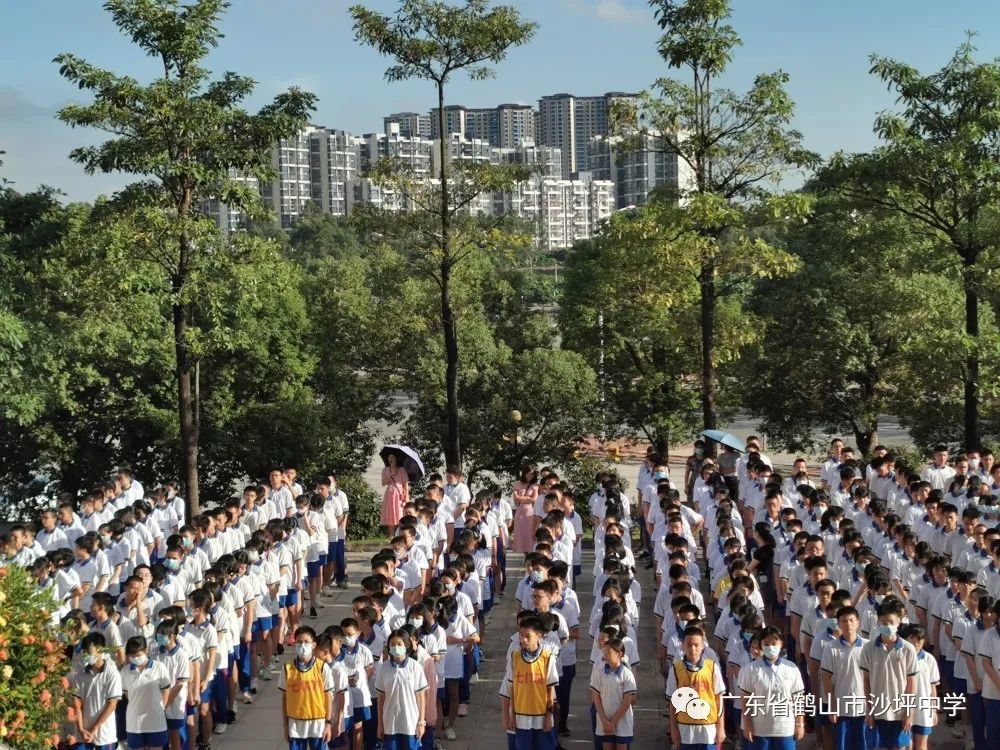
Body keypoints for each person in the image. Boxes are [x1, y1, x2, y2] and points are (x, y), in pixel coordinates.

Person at [858, 604, 917, 750]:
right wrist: (869, 710)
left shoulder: (908, 649)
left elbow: (911, 683)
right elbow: (866, 681)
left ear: (899, 622)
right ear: (878, 622)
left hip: (900, 711)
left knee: (902, 747)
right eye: (884, 622)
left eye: (891, 622)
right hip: (878, 712)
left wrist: (908, 713)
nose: (888, 625)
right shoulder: (868, 648)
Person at [737, 626, 804, 750]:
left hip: (785, 729)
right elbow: (745, 700)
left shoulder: (791, 668)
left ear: (781, 643)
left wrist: (799, 724)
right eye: (766, 644)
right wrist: (747, 725)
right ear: (761, 645)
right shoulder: (751, 669)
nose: (770, 647)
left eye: (774, 643)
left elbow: (798, 698)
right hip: (759, 730)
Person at [500, 615, 559, 750]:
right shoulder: (514, 657)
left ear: (539, 635)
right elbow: (509, 689)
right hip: (521, 719)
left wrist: (549, 715)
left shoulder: (547, 656)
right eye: (521, 635)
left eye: (528, 636)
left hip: (542, 717)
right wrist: (508, 717)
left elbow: (551, 689)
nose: (523, 640)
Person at [665, 626, 726, 750]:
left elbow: (719, 699)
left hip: (708, 728)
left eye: (696, 645)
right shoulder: (676, 669)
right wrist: (673, 728)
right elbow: (672, 702)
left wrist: (721, 727)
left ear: (703, 645)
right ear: (682, 645)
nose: (692, 648)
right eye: (689, 645)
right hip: (685, 729)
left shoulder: (712, 668)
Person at [279, 626, 336, 750]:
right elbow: (284, 700)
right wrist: (285, 726)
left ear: (314, 644)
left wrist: (328, 724)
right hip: (295, 724)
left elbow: (328, 697)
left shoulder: (322, 668)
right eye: (299, 642)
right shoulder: (287, 669)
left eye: (306, 642)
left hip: (318, 724)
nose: (302, 645)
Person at [373, 630, 429, 750]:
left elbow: (421, 696)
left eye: (399, 644)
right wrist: (380, 724)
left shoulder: (415, 667)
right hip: (390, 725)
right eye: (392, 644)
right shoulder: (383, 668)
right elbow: (381, 698)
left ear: (406, 645)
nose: (395, 647)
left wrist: (421, 722)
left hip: (410, 724)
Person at [119, 636, 171, 750]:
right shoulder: (125, 671)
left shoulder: (159, 667)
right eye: (132, 656)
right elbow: (127, 693)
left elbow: (166, 689)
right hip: (134, 723)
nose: (135, 658)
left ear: (146, 651)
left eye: (138, 655)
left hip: (156, 721)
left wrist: (162, 707)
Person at [74, 631, 123, 750]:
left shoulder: (112, 673)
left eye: (89, 651)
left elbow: (112, 704)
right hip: (84, 735)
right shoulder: (80, 673)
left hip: (104, 736)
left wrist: (95, 728)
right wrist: (81, 729)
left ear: (100, 650)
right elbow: (77, 703)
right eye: (84, 652)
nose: (86, 655)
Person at [590, 637, 636, 750]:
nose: (605, 655)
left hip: (622, 721)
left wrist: (613, 721)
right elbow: (596, 697)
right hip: (604, 721)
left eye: (608, 652)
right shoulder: (599, 673)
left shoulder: (627, 674)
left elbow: (627, 701)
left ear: (619, 654)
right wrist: (604, 721)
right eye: (604, 651)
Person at [901, 624, 939, 750]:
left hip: (923, 708)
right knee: (906, 744)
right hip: (903, 708)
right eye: (912, 640)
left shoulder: (929, 659)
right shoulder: (899, 657)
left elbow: (933, 687)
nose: (916, 644)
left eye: (919, 641)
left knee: (922, 745)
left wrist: (933, 710)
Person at [512, 467, 539, 554]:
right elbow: (515, 498)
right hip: (520, 512)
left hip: (530, 512)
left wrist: (522, 498)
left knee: (530, 536)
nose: (530, 475)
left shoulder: (535, 485)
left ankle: (531, 555)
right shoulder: (517, 483)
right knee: (521, 536)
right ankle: (526, 556)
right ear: (524, 473)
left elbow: (534, 499)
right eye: (529, 473)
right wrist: (528, 498)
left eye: (532, 474)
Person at [381, 455, 409, 538]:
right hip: (389, 494)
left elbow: (405, 484)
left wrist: (407, 496)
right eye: (389, 457)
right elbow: (383, 483)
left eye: (393, 457)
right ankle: (391, 537)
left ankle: (401, 535)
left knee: (400, 515)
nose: (390, 459)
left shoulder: (402, 470)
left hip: (399, 495)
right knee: (390, 516)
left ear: (396, 459)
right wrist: (390, 475)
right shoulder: (385, 470)